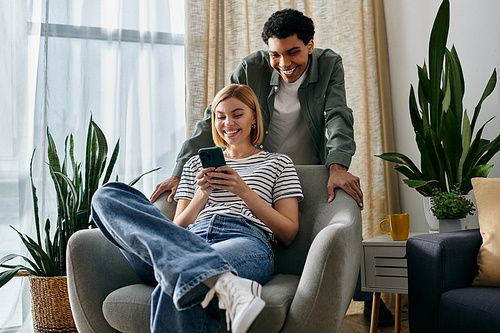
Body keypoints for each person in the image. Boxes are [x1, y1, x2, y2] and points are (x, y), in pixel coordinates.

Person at [150, 8, 392, 326]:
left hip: (305, 162)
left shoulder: (329, 63)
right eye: (275, 55)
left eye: (293, 52)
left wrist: (337, 165)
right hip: (259, 157)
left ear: (310, 44)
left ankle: (366, 297)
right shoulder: (253, 67)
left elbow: (337, 114)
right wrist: (180, 170)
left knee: (320, 235)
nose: (284, 64)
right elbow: (216, 115)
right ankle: (233, 283)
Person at [91, 84, 303, 333]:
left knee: (180, 280)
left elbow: (288, 233)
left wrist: (243, 190)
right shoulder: (194, 164)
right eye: (220, 116)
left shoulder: (278, 163)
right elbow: (178, 226)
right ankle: (221, 279)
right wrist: (201, 195)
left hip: (244, 239)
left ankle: (204, 271)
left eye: (237, 114)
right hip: (185, 240)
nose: (228, 123)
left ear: (254, 116)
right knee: (108, 194)